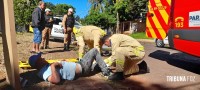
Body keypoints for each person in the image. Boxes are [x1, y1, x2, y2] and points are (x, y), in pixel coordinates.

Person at [28, 48, 110, 84]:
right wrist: (53, 66)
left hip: (80, 64)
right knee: (94, 51)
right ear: (38, 63)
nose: (43, 58)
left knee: (97, 64)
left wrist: (62, 62)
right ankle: (106, 72)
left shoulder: (45, 67)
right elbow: (56, 80)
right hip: (83, 67)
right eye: (40, 58)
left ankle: (99, 66)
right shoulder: (43, 73)